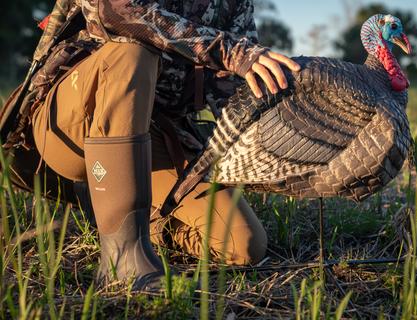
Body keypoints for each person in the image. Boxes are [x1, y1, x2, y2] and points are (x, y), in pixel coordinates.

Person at [5, 0, 300, 290]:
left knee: (242, 242)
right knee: (133, 52)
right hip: (69, 122)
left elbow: (231, 92)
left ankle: (111, 206)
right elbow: (118, 11)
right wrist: (230, 51)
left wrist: (299, 154)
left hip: (150, 133)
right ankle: (122, 259)